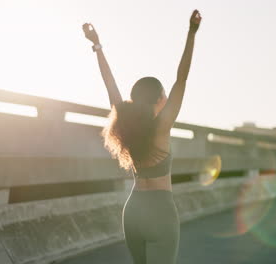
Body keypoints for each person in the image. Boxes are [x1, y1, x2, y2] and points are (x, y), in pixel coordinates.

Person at [83, 9, 201, 264]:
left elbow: (109, 83)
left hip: (133, 211)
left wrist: (97, 45)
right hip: (160, 212)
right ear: (159, 99)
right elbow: (182, 78)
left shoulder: (127, 124)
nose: (168, 98)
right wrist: (192, 33)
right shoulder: (162, 126)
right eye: (165, 94)